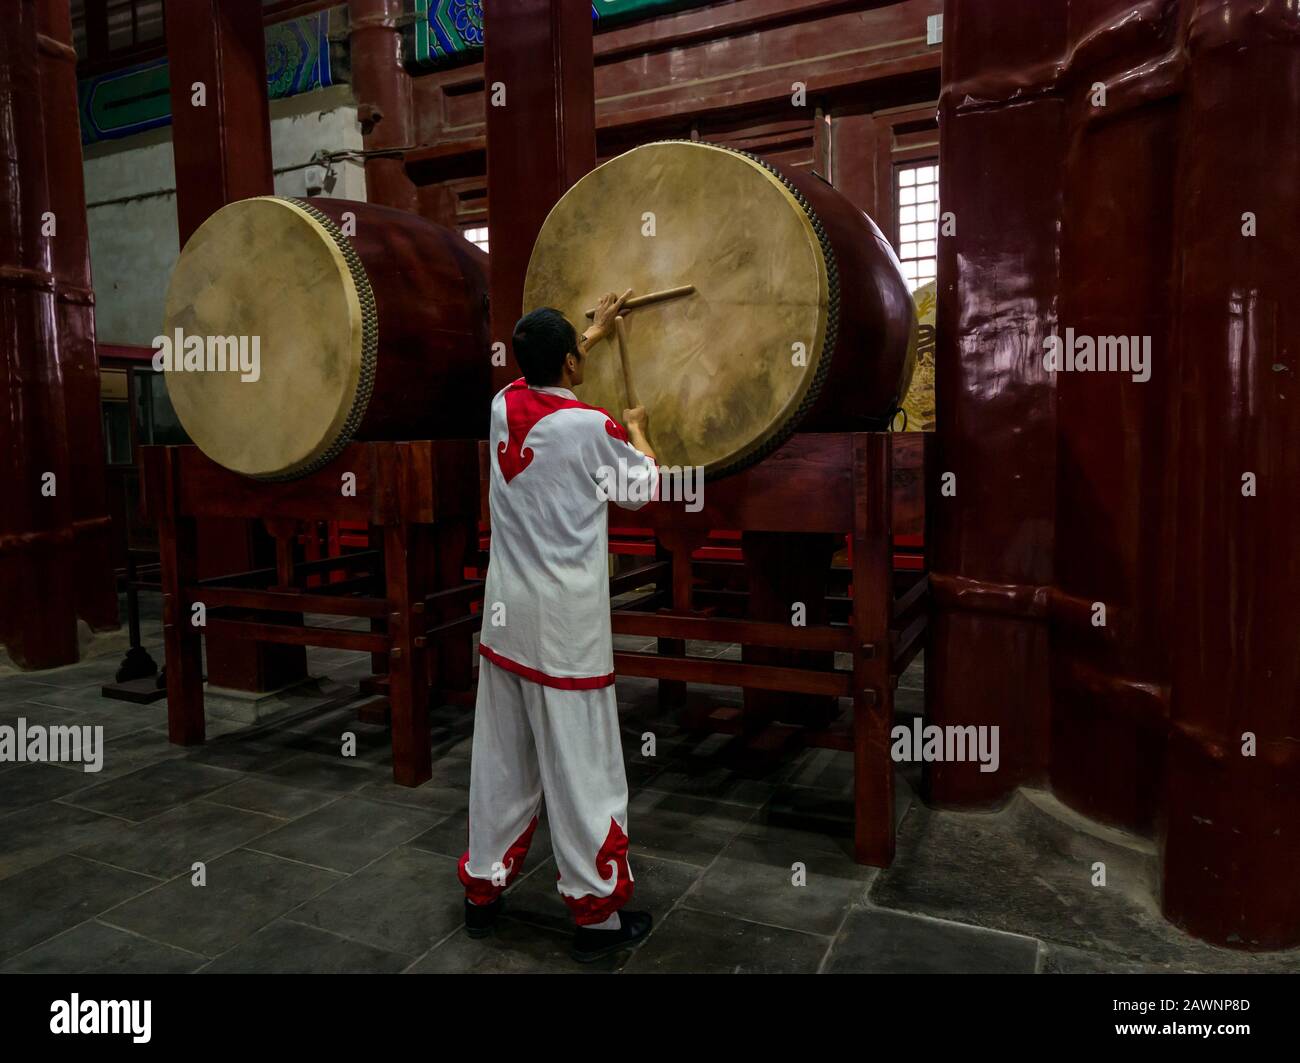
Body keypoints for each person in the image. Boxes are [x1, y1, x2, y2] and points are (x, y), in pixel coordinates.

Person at [459, 291, 659, 963]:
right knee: (582, 770)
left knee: (501, 762)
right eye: (579, 351)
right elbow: (643, 489)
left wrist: (589, 336)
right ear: (570, 362)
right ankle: (596, 917)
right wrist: (640, 432)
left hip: (504, 619)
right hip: (567, 634)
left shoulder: (500, 409)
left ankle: (482, 892)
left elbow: (532, 383)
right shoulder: (593, 428)